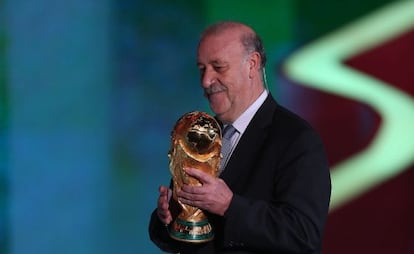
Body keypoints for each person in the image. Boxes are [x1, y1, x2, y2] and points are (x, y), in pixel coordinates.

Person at [148, 21, 331, 254]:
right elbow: (182, 236)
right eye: (202, 68)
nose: (206, 81)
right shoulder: (199, 134)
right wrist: (168, 217)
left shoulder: (297, 139)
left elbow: (303, 235)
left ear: (252, 65)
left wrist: (230, 206)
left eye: (218, 67)